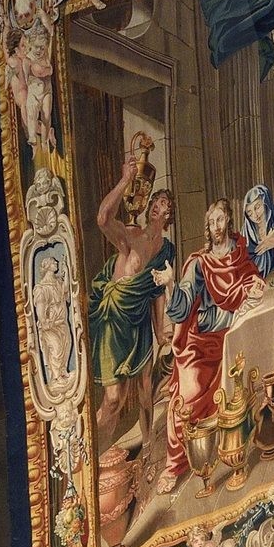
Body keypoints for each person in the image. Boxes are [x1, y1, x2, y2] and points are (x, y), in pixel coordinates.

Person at [160, 198, 264, 494]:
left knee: (244, 381)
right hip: (202, 341)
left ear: (228, 222)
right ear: (207, 227)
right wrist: (170, 284)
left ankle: (237, 449)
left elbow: (251, 279)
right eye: (212, 222)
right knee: (188, 397)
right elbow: (180, 308)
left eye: (220, 220)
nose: (216, 226)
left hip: (233, 332)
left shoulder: (239, 252)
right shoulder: (198, 263)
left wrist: (255, 286)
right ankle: (175, 464)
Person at [88, 155, 176, 457]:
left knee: (145, 391)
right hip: (114, 321)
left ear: (169, 214)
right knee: (113, 399)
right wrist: (125, 180)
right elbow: (102, 219)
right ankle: (91, 457)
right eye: (155, 199)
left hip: (139, 324)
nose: (157, 204)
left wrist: (161, 330)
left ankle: (149, 449)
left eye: (163, 202)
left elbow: (155, 292)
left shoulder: (165, 249)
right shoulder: (132, 235)